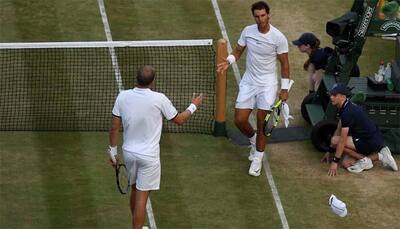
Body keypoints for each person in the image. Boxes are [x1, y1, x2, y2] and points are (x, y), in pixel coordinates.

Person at [107, 65, 202, 229]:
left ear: (136, 79)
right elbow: (179, 120)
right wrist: (193, 105)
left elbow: (114, 127)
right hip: (148, 157)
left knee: (135, 190)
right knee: (142, 197)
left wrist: (112, 152)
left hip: (129, 153)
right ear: (152, 82)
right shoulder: (159, 99)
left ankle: (139, 225)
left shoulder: (122, 97)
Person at [217, 1, 291, 176]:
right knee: (240, 120)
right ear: (254, 17)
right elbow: (237, 51)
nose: (260, 19)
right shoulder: (247, 31)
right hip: (249, 81)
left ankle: (257, 159)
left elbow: (285, 64)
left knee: (261, 121)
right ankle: (253, 139)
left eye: (263, 16)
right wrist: (228, 61)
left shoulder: (278, 37)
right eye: (257, 16)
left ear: (268, 15)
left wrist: (285, 88)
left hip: (267, 84)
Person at [322, 83, 398, 176]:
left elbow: (341, 140)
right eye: (331, 95)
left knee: (335, 141)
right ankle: (380, 156)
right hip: (365, 138)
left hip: (370, 141)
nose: (331, 97)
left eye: (334, 95)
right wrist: (329, 151)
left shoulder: (347, 112)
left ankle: (368, 159)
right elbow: (339, 128)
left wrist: (335, 162)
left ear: (342, 96)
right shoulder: (345, 105)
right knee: (346, 163)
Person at [292, 33, 360, 93]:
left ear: (308, 46)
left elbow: (318, 80)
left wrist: (314, 96)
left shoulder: (317, 57)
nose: (298, 46)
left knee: (316, 78)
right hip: (349, 69)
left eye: (300, 44)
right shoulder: (316, 53)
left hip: (351, 72)